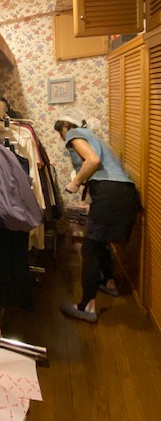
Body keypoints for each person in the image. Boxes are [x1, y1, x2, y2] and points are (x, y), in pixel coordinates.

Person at [54, 108, 139, 323]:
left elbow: (92, 161)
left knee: (90, 248)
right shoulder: (93, 136)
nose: (62, 138)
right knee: (100, 243)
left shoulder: (74, 134)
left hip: (109, 193)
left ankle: (86, 306)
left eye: (60, 132)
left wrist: (74, 182)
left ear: (66, 126)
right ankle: (109, 283)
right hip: (126, 193)